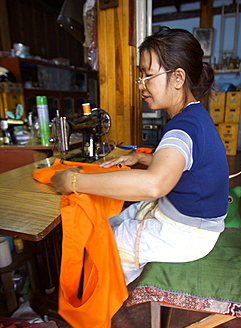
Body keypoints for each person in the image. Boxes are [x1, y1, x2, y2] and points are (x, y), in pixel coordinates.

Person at [51, 27, 229, 285]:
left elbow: (154, 184)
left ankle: (102, 313)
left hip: (189, 233)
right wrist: (143, 159)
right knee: (111, 220)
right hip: (189, 220)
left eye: (148, 75)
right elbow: (186, 166)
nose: (141, 85)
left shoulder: (183, 127)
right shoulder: (195, 116)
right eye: (140, 76)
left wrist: (74, 182)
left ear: (178, 78)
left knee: (104, 242)